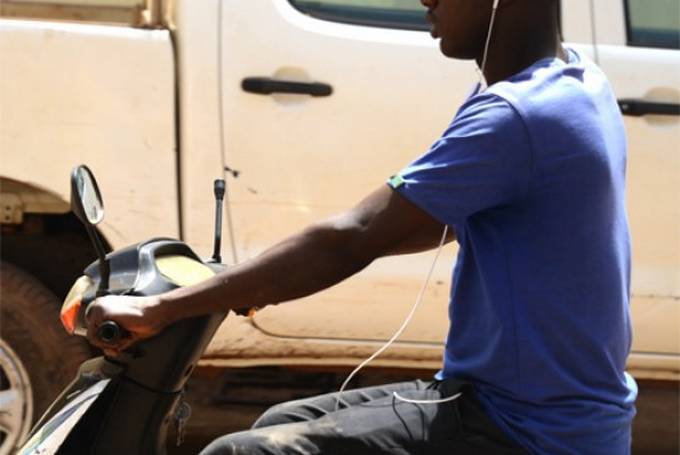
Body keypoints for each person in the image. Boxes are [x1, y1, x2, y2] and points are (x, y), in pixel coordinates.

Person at [86, 0, 638, 453]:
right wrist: (247, 280)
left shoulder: (517, 114)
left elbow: (352, 237)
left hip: (526, 428)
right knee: (281, 421)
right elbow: (426, 217)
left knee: (241, 454)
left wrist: (162, 309)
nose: (426, 0)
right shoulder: (575, 81)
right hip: (522, 404)